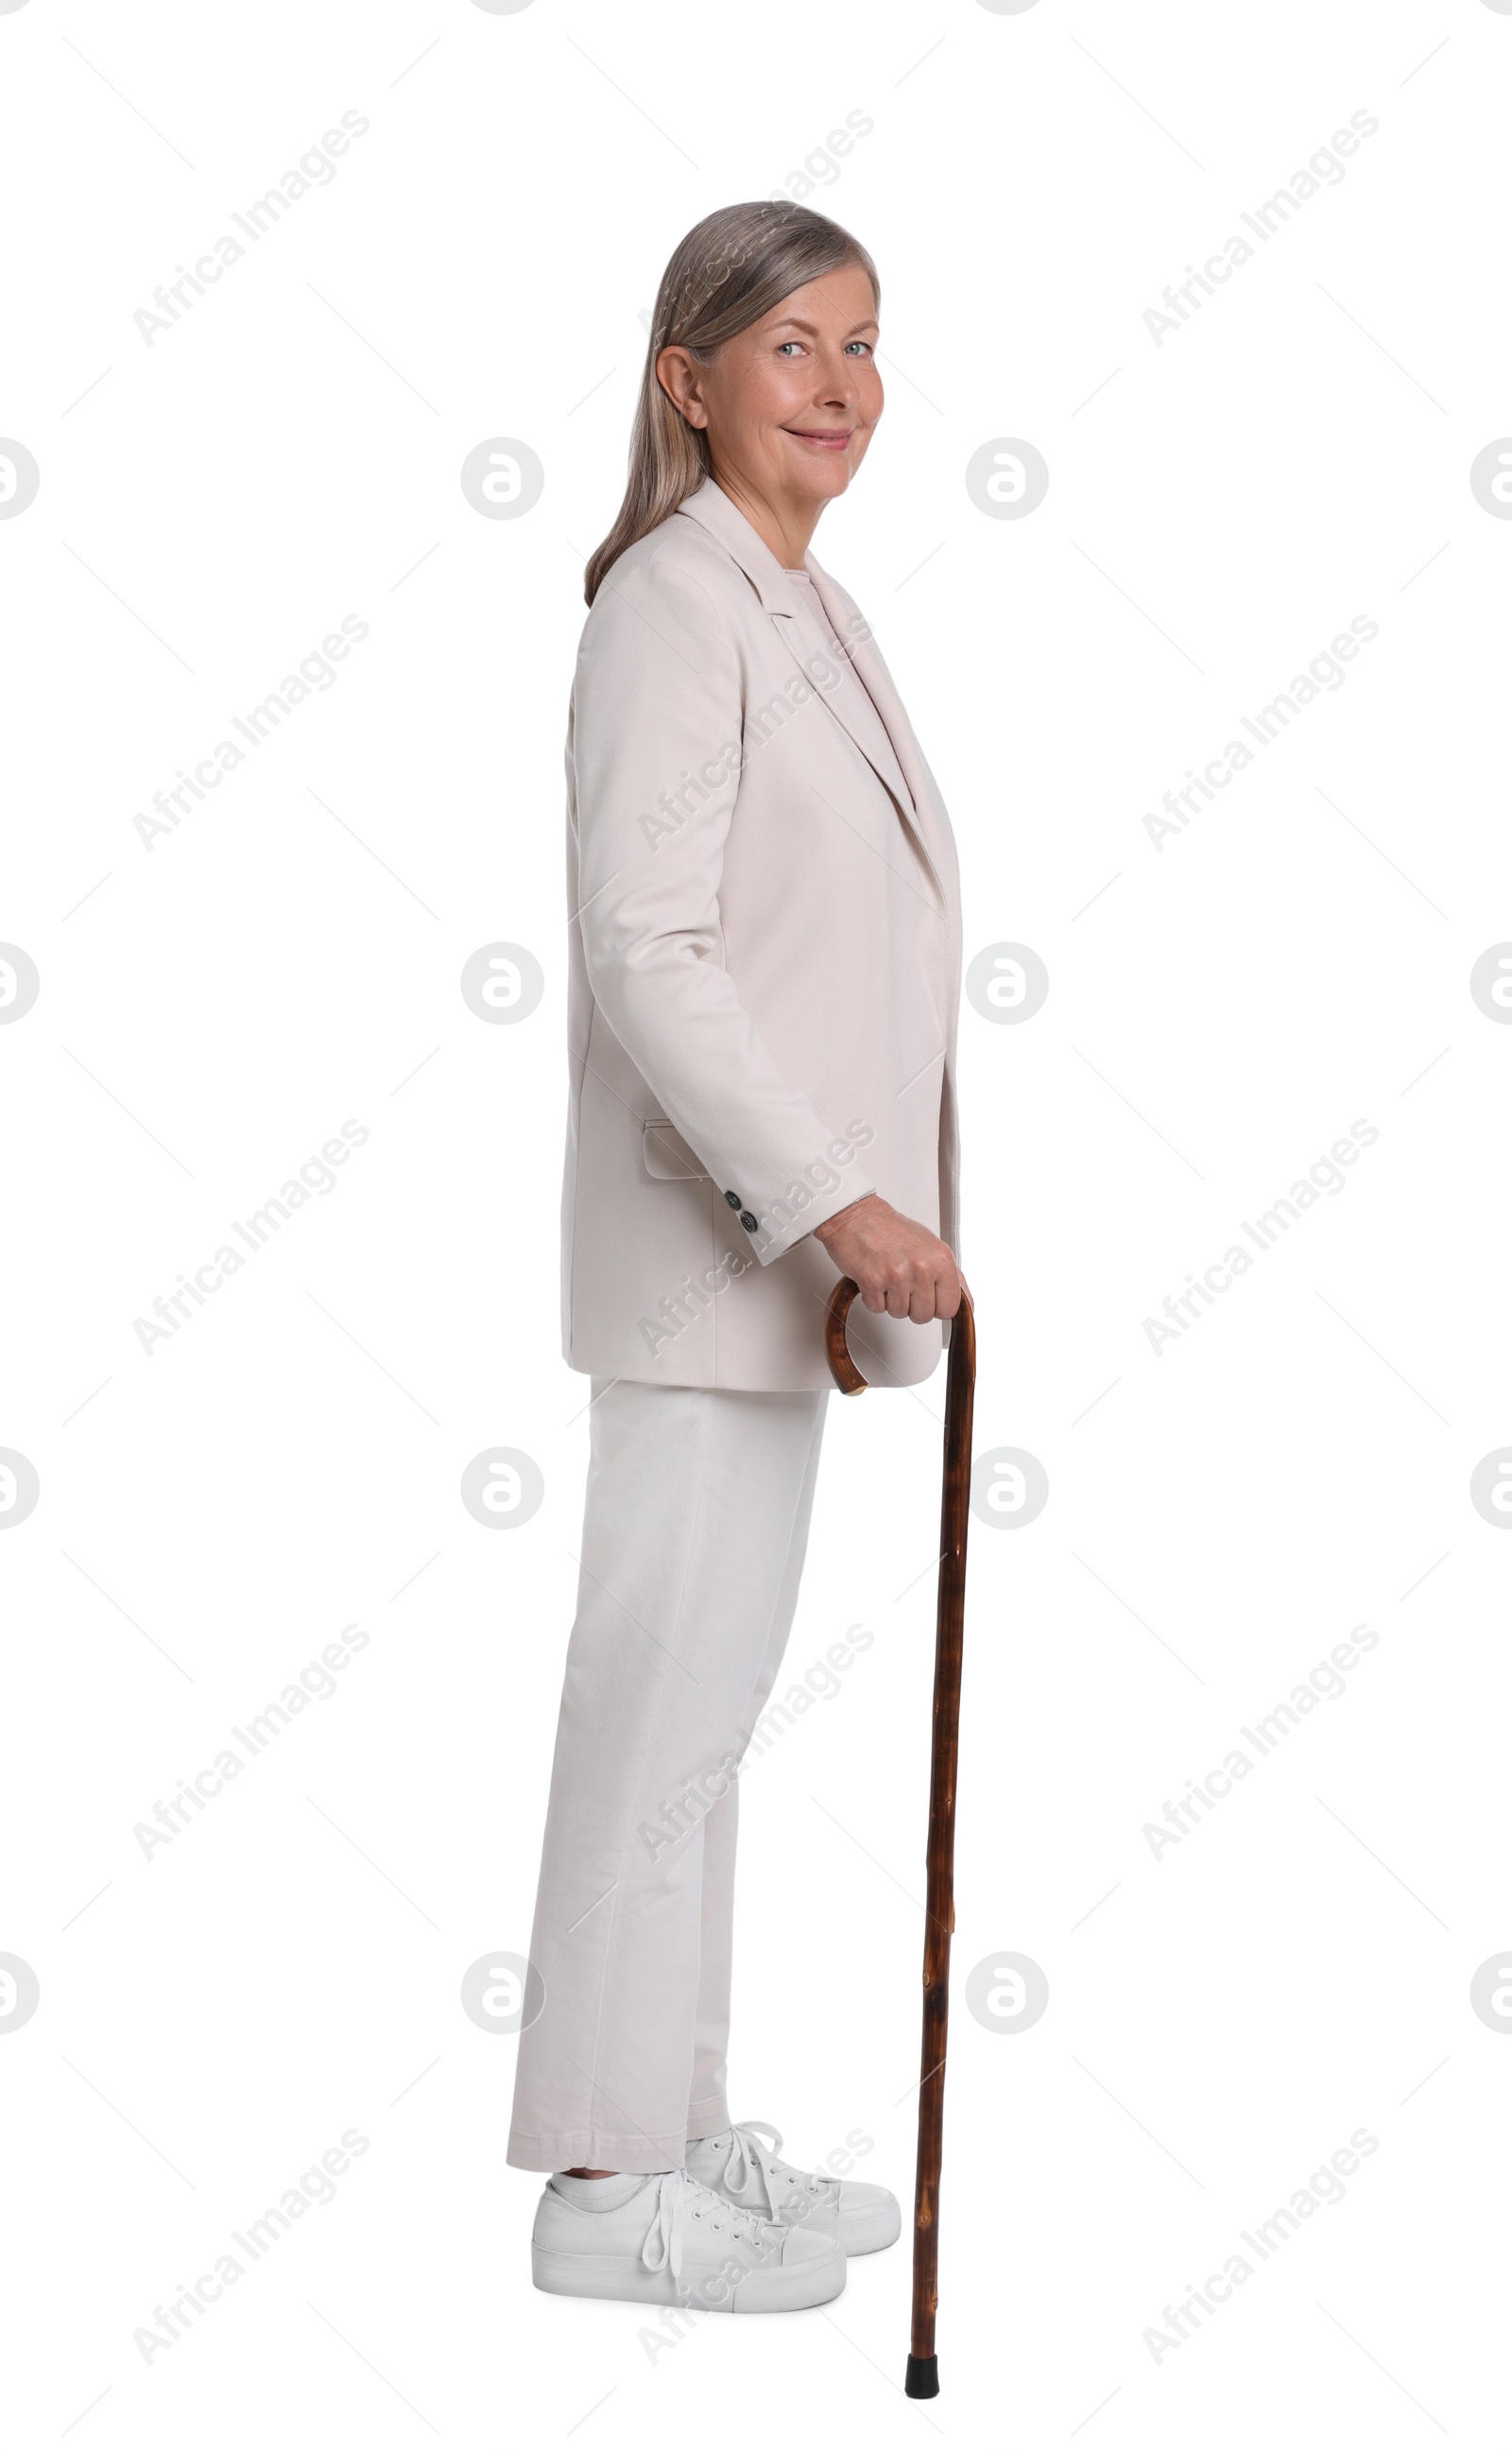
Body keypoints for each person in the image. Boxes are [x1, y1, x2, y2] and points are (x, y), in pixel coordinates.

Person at [510, 199, 966, 2314]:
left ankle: (674, 2138)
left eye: (861, 345)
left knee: (706, 1717)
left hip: (783, 1280)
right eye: (790, 344)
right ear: (686, 376)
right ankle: (603, 2185)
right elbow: (648, 955)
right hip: (717, 1260)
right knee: (656, 1713)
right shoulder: (670, 605)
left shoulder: (808, 602)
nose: (837, 385)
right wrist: (837, 1204)